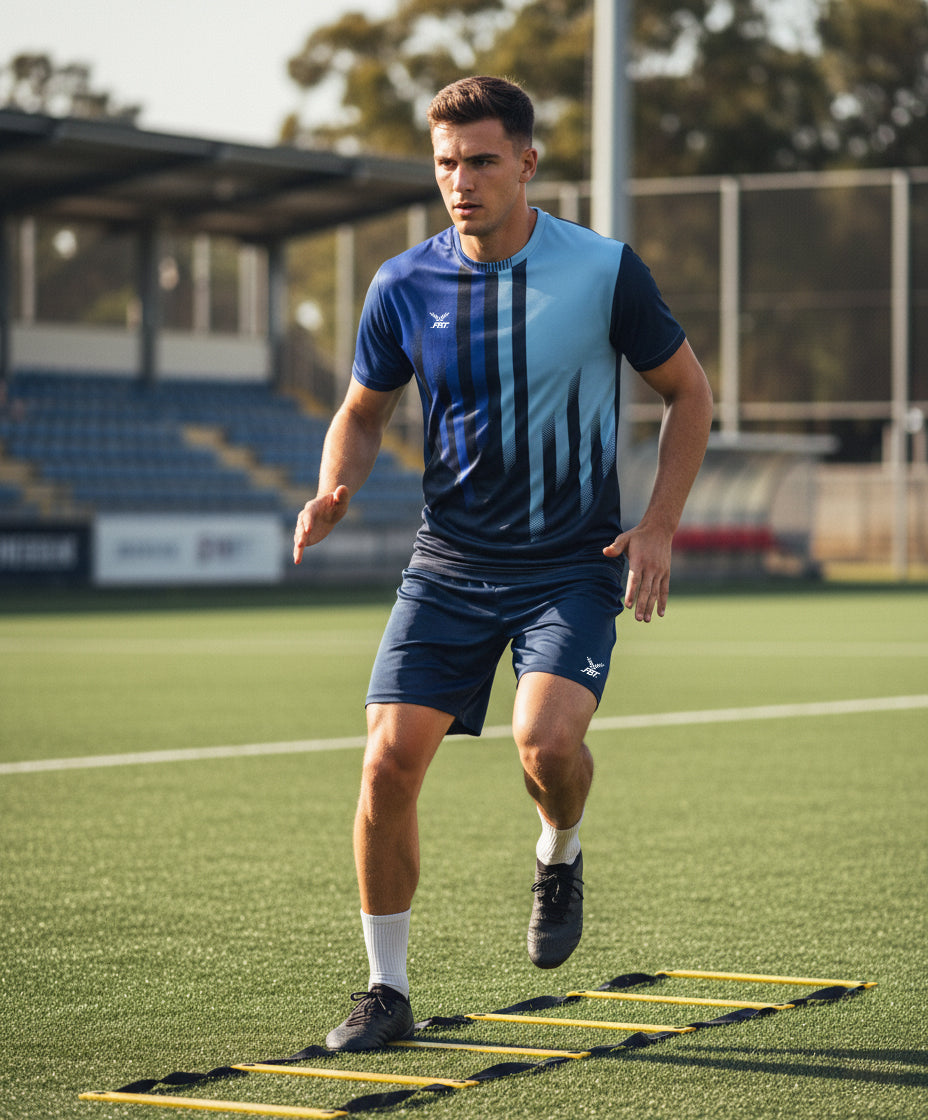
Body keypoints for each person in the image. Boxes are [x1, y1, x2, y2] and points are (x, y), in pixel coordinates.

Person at [293, 75, 713, 1052]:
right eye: (445, 163)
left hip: (570, 560)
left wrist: (655, 527)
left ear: (526, 162)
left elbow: (688, 395)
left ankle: (558, 848)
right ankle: (385, 989)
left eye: (480, 160)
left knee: (547, 746)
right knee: (388, 762)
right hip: (447, 563)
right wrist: (335, 485)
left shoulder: (604, 271)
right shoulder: (403, 284)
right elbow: (362, 409)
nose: (461, 180)